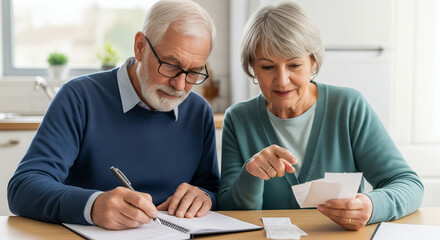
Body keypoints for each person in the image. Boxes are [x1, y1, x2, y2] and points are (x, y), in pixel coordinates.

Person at [8, 0, 219, 230]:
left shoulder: (200, 112)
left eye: (194, 71)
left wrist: (205, 196)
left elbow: (212, 190)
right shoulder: (79, 97)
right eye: (170, 65)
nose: (180, 85)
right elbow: (23, 187)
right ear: (140, 47)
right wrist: (93, 206)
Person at [218, 2, 423, 231]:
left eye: (294, 65)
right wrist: (251, 174)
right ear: (252, 68)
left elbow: (408, 184)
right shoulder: (238, 119)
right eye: (267, 67)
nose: (282, 80)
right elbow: (228, 212)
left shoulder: (348, 107)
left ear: (313, 62)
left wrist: (371, 206)